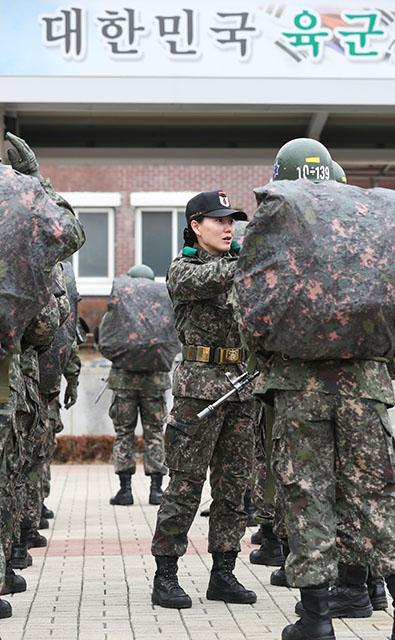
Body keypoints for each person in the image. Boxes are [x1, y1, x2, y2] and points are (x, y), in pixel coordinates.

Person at [241, 138, 395, 640]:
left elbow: (252, 307)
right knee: (374, 497)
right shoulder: (368, 210)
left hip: (298, 383)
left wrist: (265, 359)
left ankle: (316, 621)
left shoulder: (281, 213)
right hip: (367, 384)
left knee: (307, 498)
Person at [151, 190, 257, 609]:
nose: (229, 226)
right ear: (196, 225)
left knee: (234, 487)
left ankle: (224, 573)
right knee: (185, 485)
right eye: (219, 220)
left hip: (241, 386)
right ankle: (166, 575)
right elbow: (213, 279)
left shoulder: (241, 265)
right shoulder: (184, 268)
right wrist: (253, 259)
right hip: (199, 390)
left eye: (232, 220)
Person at [106, 264, 169, 506]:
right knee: (154, 433)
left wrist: (119, 359)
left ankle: (125, 491)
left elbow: (106, 339)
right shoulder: (162, 305)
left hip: (124, 380)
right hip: (155, 380)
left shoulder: (120, 304)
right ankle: (156, 490)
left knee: (124, 432)